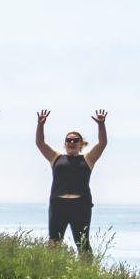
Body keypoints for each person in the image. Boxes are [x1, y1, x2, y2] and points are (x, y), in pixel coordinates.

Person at [34, 109, 108, 257]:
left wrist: (101, 125)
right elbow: (40, 142)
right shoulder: (56, 157)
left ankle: (87, 272)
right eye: (69, 140)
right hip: (58, 205)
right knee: (54, 242)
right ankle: (52, 272)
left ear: (81, 144)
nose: (72, 142)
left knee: (82, 242)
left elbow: (102, 143)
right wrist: (40, 125)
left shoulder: (87, 159)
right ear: (65, 143)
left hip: (80, 205)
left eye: (75, 140)